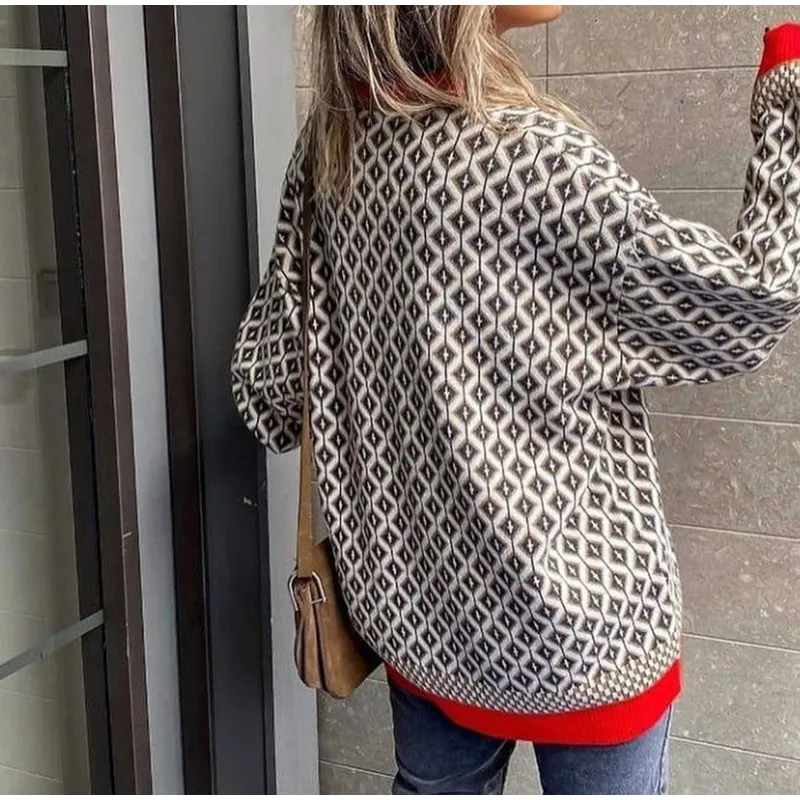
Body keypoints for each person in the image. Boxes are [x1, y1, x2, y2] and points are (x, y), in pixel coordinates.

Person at [231, 6, 800, 794]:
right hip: (583, 643)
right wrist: (787, 97)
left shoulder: (333, 148)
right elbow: (747, 306)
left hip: (422, 625)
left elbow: (266, 390)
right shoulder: (534, 158)